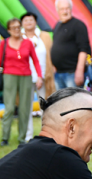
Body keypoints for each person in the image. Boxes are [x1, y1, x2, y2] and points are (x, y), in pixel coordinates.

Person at [0, 18, 43, 147]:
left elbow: (35, 61)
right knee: (9, 107)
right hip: (9, 75)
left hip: (25, 76)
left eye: (18, 27)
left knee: (25, 108)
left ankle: (22, 137)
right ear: (8, 30)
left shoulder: (28, 43)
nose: (16, 30)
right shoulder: (4, 43)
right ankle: (5, 137)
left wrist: (39, 76)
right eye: (13, 28)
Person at [22, 12, 54, 142]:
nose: (29, 22)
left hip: (43, 76)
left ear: (36, 22)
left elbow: (51, 53)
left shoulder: (44, 36)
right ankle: (27, 135)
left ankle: (46, 133)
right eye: (26, 20)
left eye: (31, 20)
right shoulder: (20, 37)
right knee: (26, 107)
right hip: (25, 76)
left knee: (45, 106)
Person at [51, 0, 90, 89]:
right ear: (57, 10)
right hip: (59, 74)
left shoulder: (78, 25)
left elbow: (83, 49)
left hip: (72, 73)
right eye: (62, 9)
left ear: (71, 9)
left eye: (67, 8)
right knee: (61, 102)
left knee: (75, 102)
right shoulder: (57, 25)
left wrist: (79, 71)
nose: (65, 11)